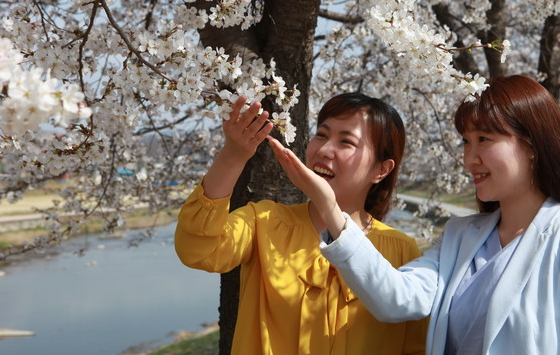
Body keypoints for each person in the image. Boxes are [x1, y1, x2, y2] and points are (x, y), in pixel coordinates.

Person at [269, 74, 560, 354]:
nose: (470, 158)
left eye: (484, 139)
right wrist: (330, 208)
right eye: (466, 142)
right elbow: (394, 298)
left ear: (532, 146)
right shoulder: (460, 236)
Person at [175, 93, 427, 354]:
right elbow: (198, 250)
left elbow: (416, 346)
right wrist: (233, 156)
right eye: (322, 135)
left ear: (381, 170)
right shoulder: (265, 222)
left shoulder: (401, 252)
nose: (324, 150)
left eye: (346, 142)